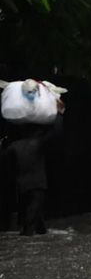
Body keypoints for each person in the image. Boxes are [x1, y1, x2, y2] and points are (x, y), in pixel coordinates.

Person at [0, 98, 63, 235]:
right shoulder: (38, 143)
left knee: (33, 209)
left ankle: (40, 230)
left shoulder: (14, 146)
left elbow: (5, 160)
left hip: (21, 183)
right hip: (37, 183)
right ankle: (28, 232)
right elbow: (55, 132)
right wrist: (59, 114)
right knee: (34, 209)